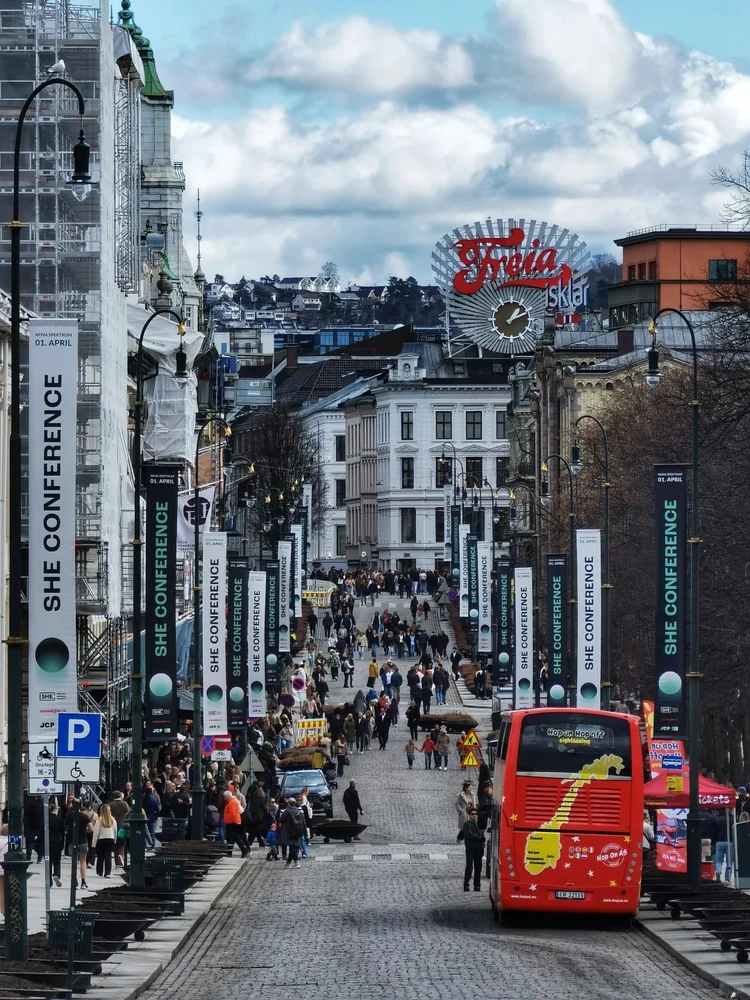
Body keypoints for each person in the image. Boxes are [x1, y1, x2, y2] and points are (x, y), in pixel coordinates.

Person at [462, 806, 485, 891]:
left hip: (479, 849)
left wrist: (482, 843)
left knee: (478, 867)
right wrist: (480, 838)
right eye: (472, 814)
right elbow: (469, 835)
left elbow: (482, 834)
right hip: (471, 848)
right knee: (469, 867)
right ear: (469, 815)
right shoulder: (466, 824)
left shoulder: (479, 824)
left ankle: (477, 885)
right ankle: (466, 884)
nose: (474, 815)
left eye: (475, 814)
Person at [279, 795, 305, 868]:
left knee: (292, 847)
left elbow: (280, 820)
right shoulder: (299, 811)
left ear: (289, 804)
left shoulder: (286, 812)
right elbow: (303, 822)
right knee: (293, 847)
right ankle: (288, 863)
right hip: (298, 831)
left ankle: (296, 862)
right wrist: (305, 832)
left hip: (288, 832)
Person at [92, 803, 117, 878]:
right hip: (110, 838)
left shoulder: (99, 819)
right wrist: (115, 840)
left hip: (101, 839)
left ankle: (100, 871)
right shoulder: (112, 819)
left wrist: (94, 844)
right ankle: (107, 872)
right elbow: (115, 831)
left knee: (100, 856)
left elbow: (96, 832)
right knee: (108, 856)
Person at [48, 802, 65, 887]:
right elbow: (63, 833)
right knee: (57, 861)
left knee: (48, 862)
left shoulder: (46, 820)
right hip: (57, 842)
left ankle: (49, 881)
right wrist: (62, 844)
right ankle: (57, 874)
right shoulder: (59, 819)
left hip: (48, 843)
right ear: (55, 809)